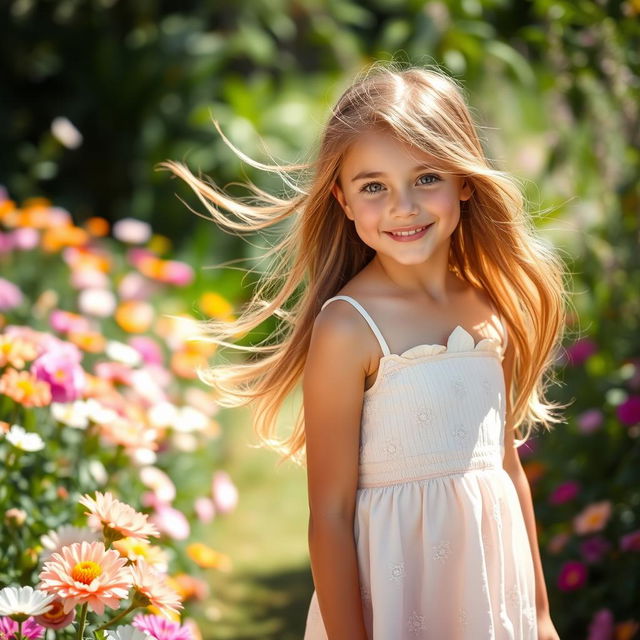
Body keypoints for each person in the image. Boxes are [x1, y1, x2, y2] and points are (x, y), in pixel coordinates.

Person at [160, 63, 570, 639]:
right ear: (343, 200)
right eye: (374, 186)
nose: (403, 207)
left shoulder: (487, 308)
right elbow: (329, 517)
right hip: (396, 603)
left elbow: (506, 469)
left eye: (427, 177)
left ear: (465, 181)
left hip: (485, 598)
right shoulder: (349, 329)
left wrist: (542, 616)